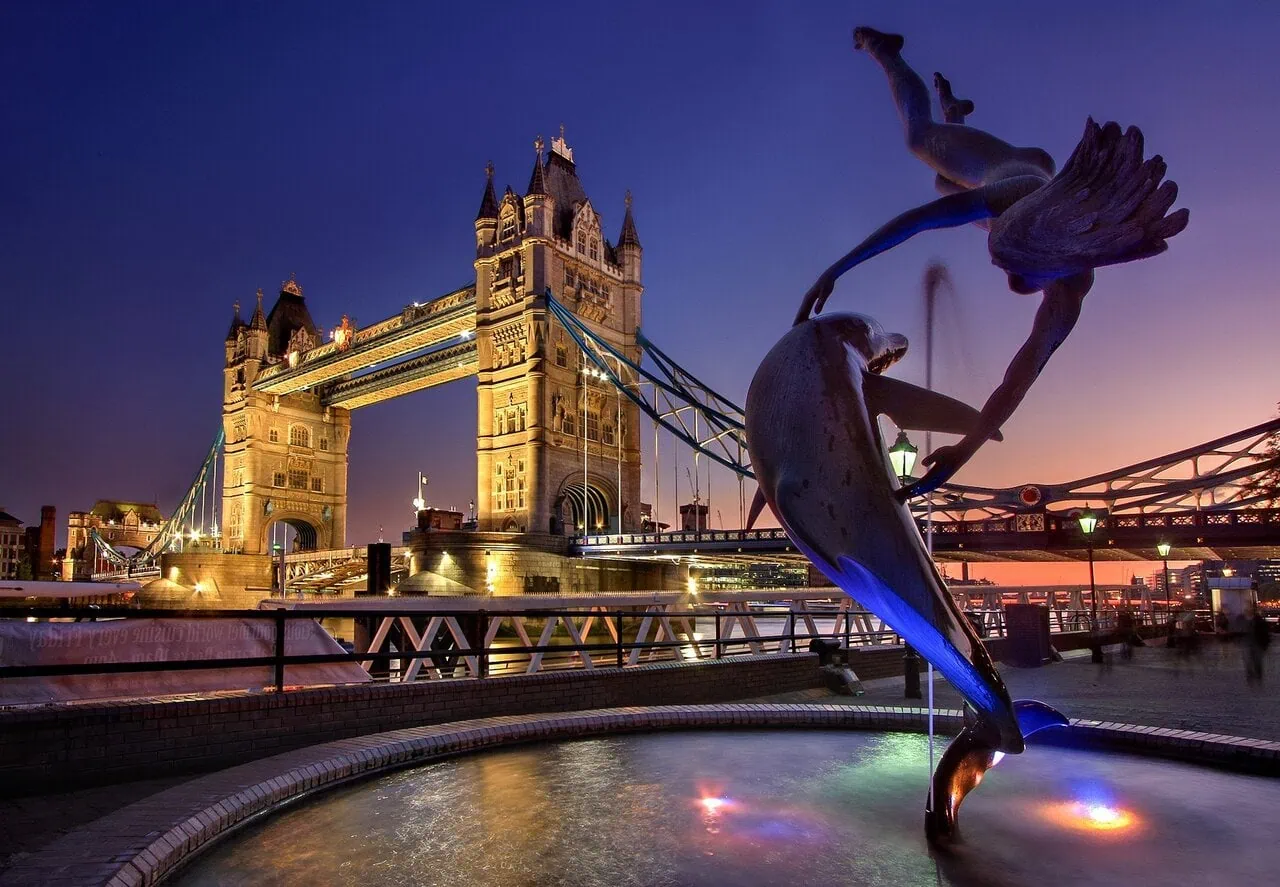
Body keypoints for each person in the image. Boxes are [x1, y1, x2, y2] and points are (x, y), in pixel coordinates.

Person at [796, 27, 1189, 498]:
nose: (1011, 285)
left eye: (1017, 273)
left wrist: (968, 448)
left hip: (1019, 190)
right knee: (920, 140)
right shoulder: (1012, 197)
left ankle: (953, 113)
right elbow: (917, 223)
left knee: (944, 184)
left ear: (1055, 267)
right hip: (1006, 167)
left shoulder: (1071, 290)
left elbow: (1019, 377)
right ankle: (888, 51)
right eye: (1005, 267)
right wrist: (836, 269)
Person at [1245, 604, 1271, 684]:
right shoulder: (1261, 622)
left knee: (1253, 660)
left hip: (1255, 644)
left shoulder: (1253, 622)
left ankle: (1252, 676)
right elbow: (1266, 634)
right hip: (1258, 644)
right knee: (1257, 660)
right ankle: (1257, 676)